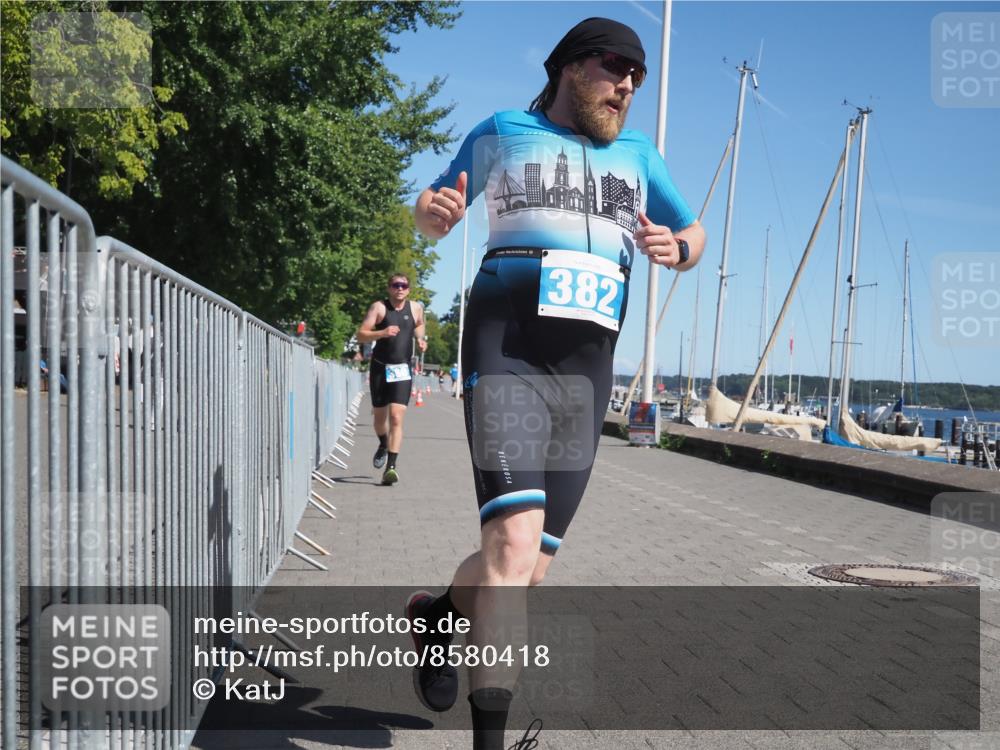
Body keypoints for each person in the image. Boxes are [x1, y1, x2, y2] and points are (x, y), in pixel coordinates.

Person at [407, 16, 706, 749]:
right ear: (573, 68)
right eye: (616, 67)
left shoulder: (639, 155)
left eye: (638, 75)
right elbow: (433, 207)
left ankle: (441, 614)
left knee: (529, 567)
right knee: (510, 547)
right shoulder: (503, 129)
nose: (629, 84)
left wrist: (680, 248)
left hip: (584, 376)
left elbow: (695, 232)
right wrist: (431, 212)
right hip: (508, 349)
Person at [356, 273, 427, 485]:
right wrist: (382, 332)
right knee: (379, 419)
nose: (400, 288)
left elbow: (420, 324)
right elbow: (361, 334)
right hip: (380, 368)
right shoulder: (379, 308)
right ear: (389, 288)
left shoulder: (415, 308)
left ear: (409, 289)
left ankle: (391, 467)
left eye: (404, 285)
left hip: (402, 370)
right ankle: (383, 443)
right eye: (396, 285)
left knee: (396, 417)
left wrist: (421, 339)